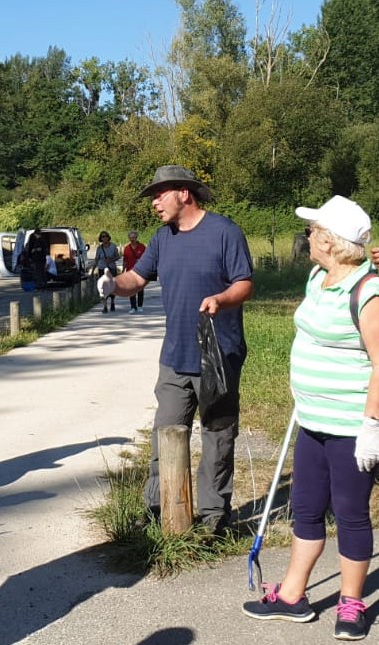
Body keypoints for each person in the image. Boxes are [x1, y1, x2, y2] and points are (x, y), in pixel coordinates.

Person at [242, 197, 379, 640]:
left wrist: (371, 427)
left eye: (313, 230)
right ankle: (293, 595)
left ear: (329, 240)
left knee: (350, 513)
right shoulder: (317, 277)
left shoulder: (370, 293)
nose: (308, 235)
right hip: (312, 419)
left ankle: (351, 604)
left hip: (352, 426)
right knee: (307, 509)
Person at [112, 165, 254, 532]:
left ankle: (212, 518)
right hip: (175, 359)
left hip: (218, 357)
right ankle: (158, 511)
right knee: (165, 436)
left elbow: (244, 284)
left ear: (185, 194)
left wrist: (221, 300)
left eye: (160, 194)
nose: (155, 202)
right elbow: (137, 278)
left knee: (217, 439)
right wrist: (111, 285)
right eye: (153, 196)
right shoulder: (162, 238)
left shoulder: (225, 232)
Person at [122, 230, 146, 312]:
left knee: (140, 289)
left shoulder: (142, 247)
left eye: (134, 237)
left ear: (137, 237)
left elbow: (147, 258)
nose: (133, 239)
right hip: (130, 271)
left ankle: (140, 306)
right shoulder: (127, 248)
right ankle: (133, 307)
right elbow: (124, 260)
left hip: (140, 271)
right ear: (129, 238)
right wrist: (123, 271)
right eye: (131, 238)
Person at [95, 231, 120, 312]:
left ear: (108, 237)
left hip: (111, 268)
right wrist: (93, 269)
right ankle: (105, 306)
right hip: (102, 268)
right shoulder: (99, 248)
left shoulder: (113, 246)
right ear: (101, 238)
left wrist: (111, 260)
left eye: (105, 236)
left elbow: (117, 256)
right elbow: (96, 259)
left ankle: (112, 301)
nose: (104, 238)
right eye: (102, 236)